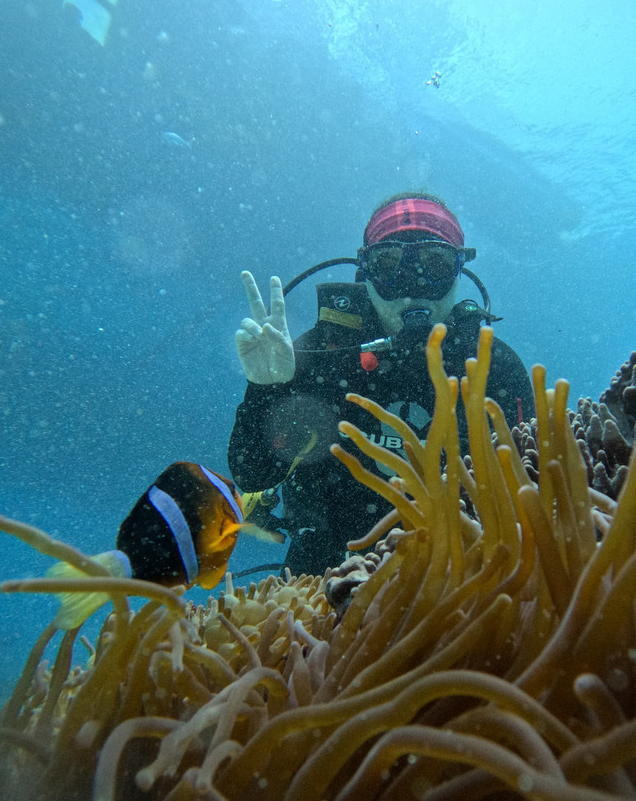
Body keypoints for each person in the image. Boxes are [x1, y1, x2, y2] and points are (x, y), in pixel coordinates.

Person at [228, 193, 533, 575]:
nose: (413, 284)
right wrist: (265, 389)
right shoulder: (322, 353)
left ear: (459, 271)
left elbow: (530, 485)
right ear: (365, 272)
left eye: (435, 264)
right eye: (388, 264)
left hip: (463, 573)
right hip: (326, 575)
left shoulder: (493, 366)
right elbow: (254, 475)